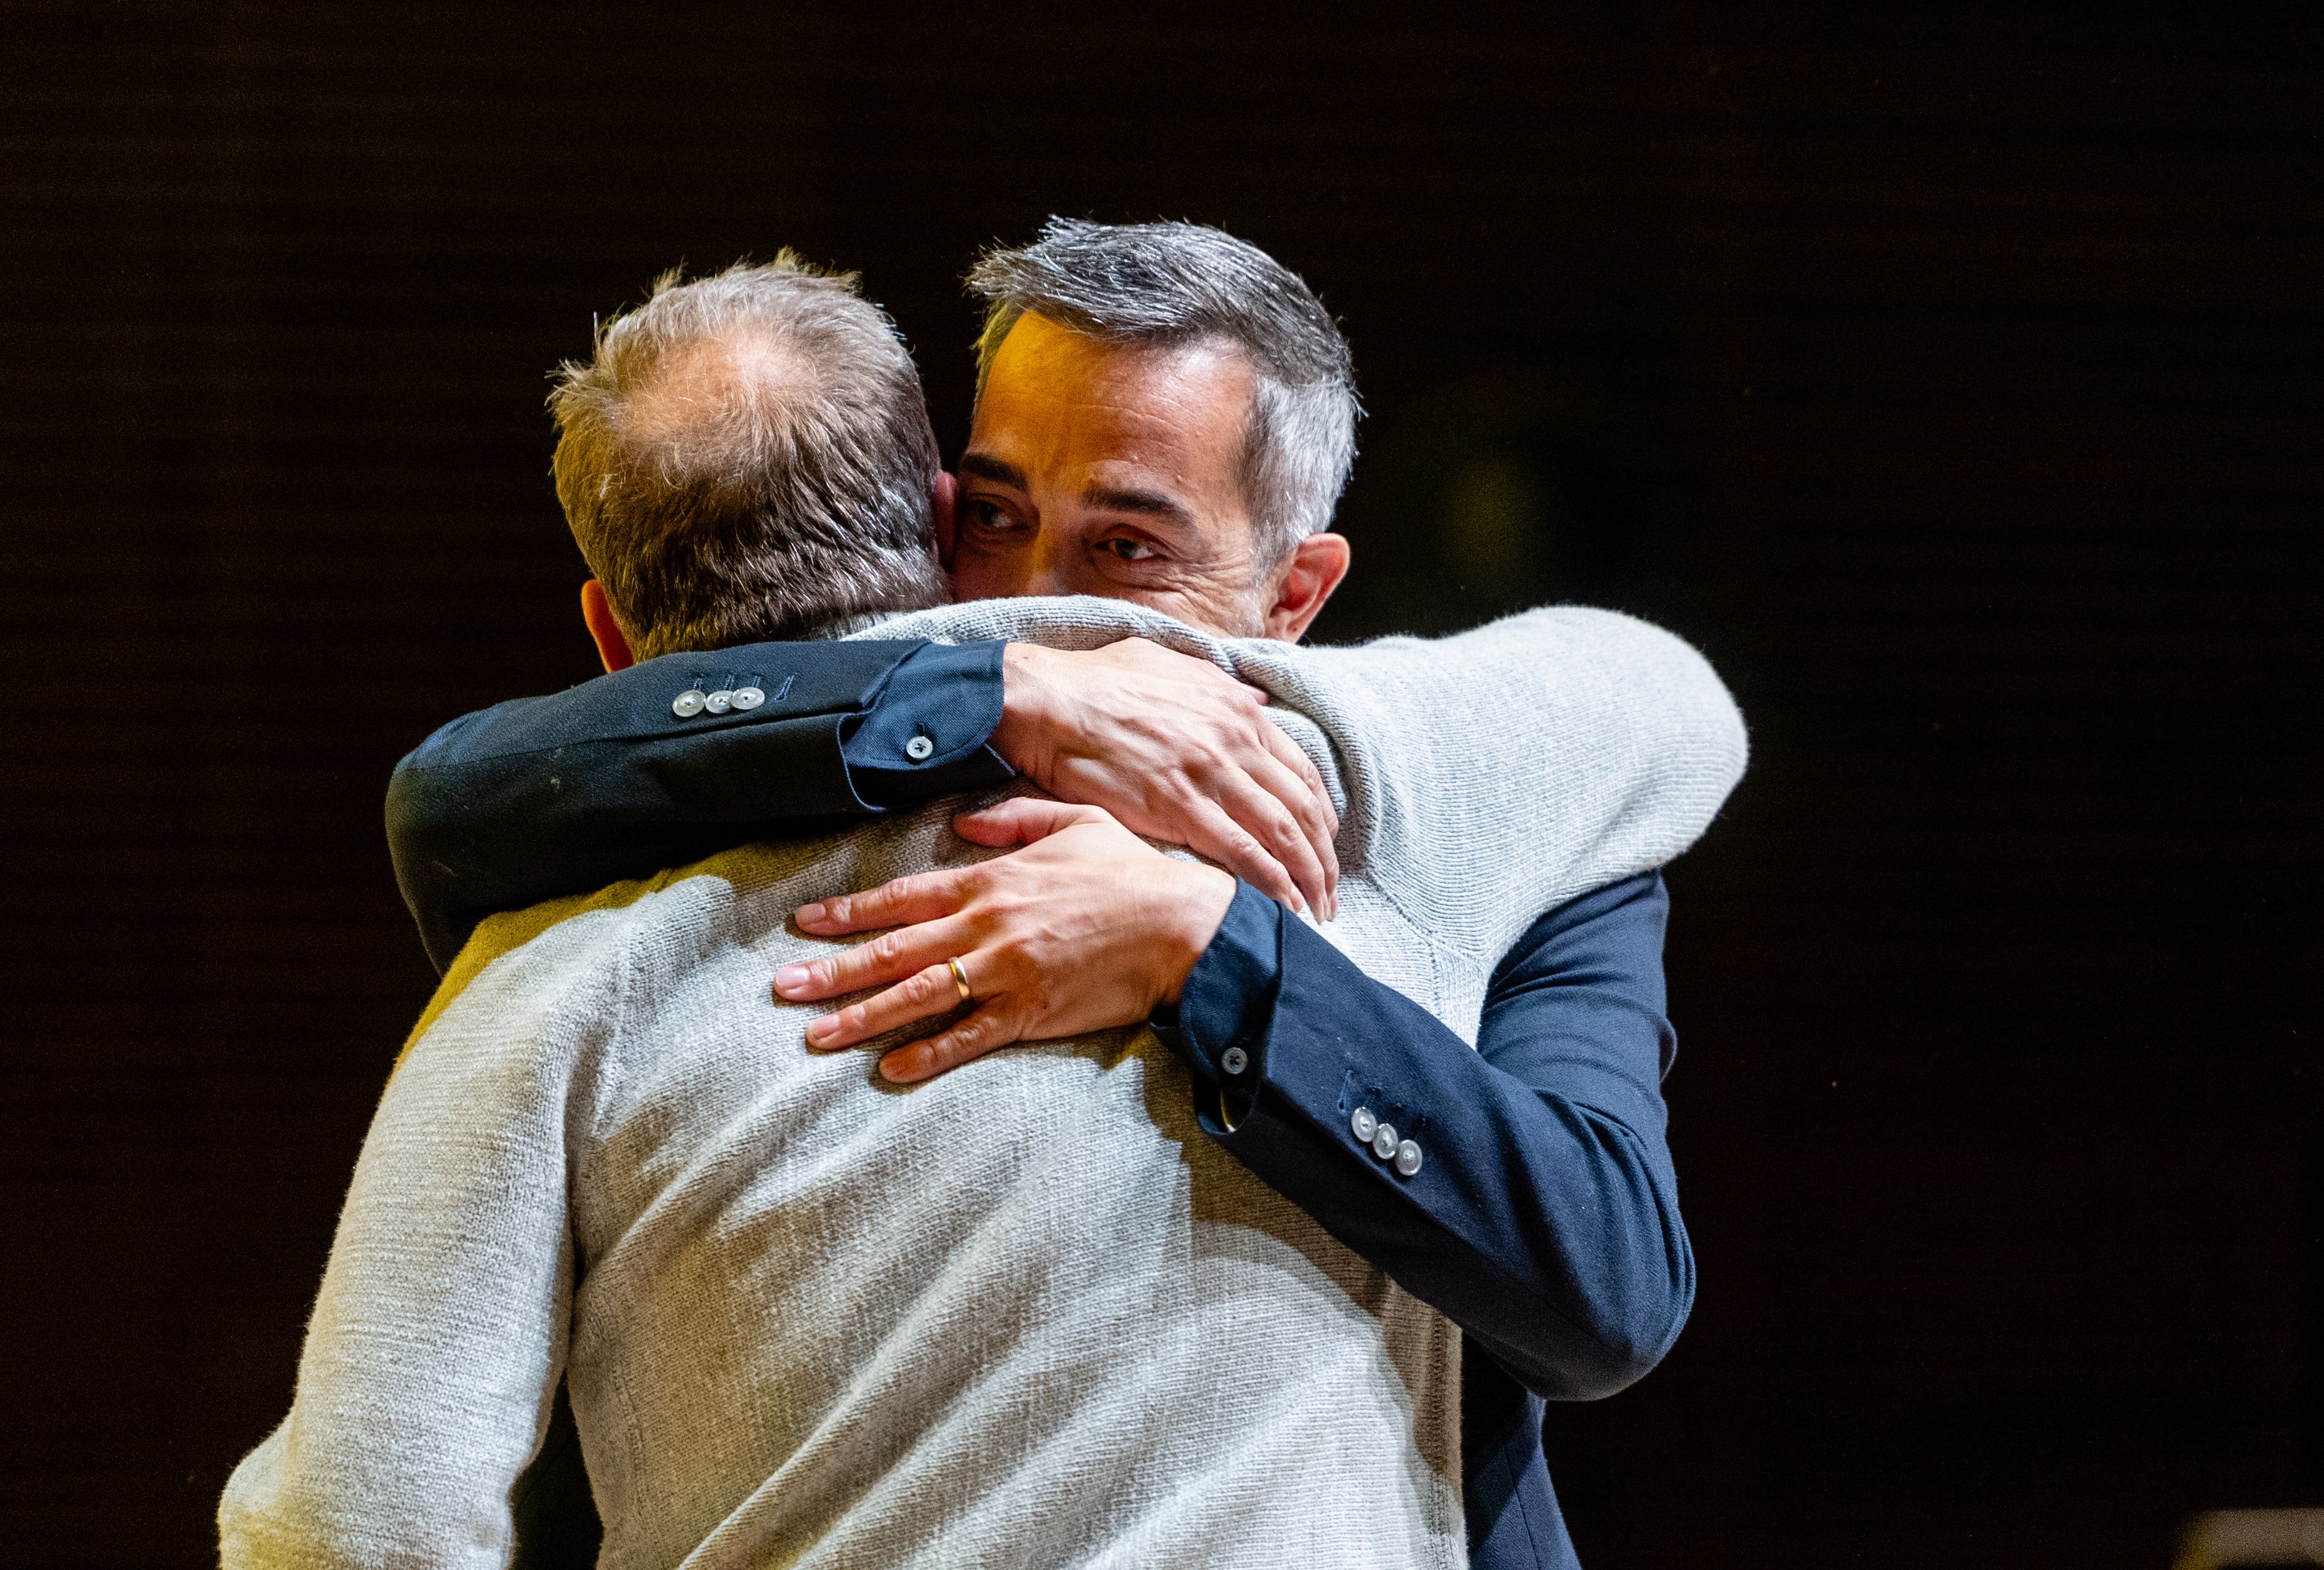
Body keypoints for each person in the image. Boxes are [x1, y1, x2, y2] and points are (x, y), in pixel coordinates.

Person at [309, 228, 1745, 1567]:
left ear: (1295, 593)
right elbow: (459, 786)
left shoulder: (1441, 790)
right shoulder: (716, 829)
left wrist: (1211, 952)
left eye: (1129, 551)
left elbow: (1610, 1287)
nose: (1042, 593)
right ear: (935, 509)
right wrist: (997, 686)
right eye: (995, 518)